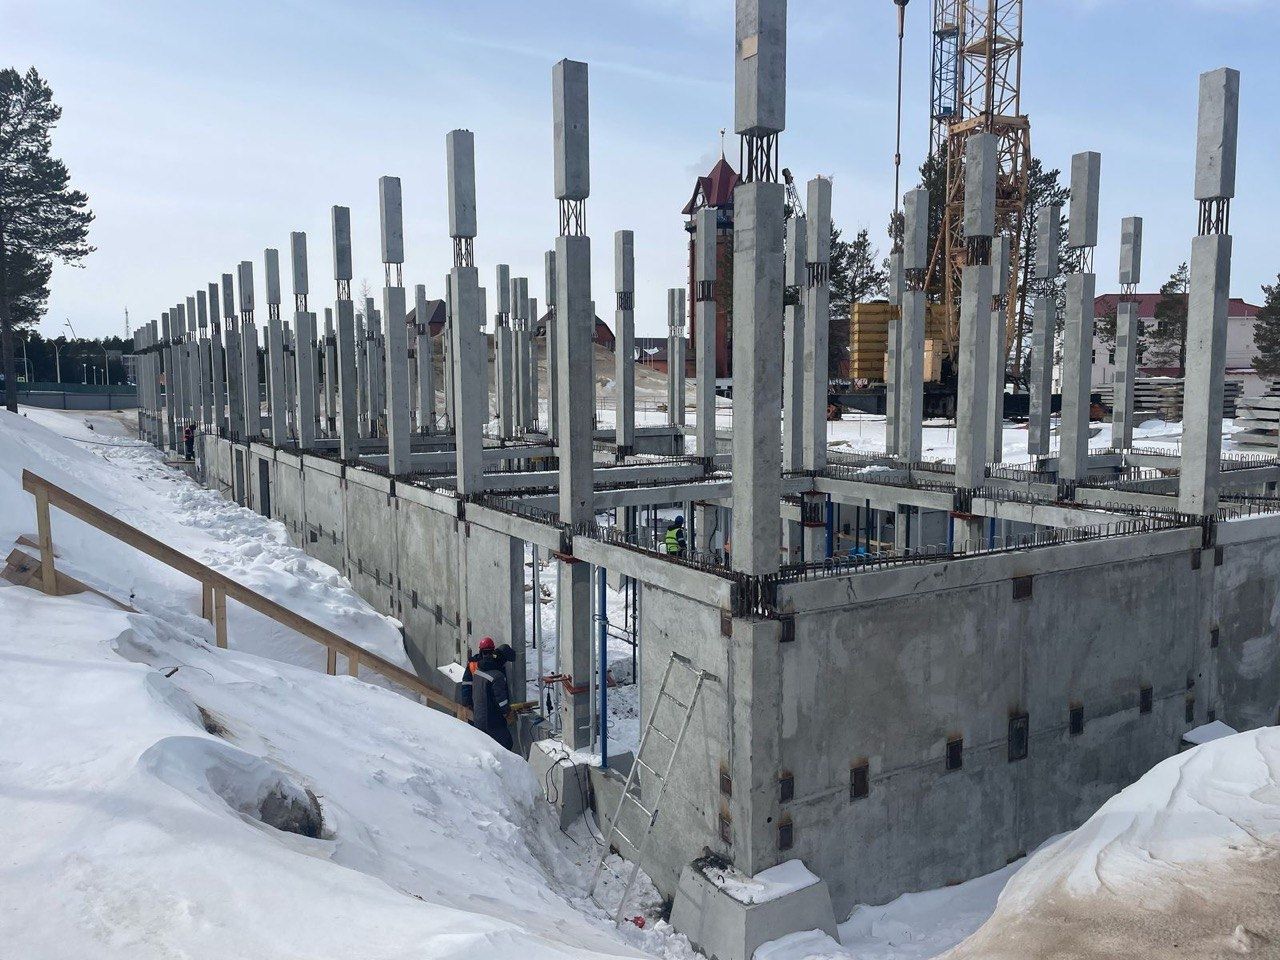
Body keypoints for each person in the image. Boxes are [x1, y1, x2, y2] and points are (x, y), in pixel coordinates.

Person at [471, 638, 514, 751]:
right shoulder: (497, 676)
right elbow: (501, 701)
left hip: (478, 719)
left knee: (485, 748)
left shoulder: (477, 672)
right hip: (492, 722)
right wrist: (508, 711)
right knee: (507, 744)